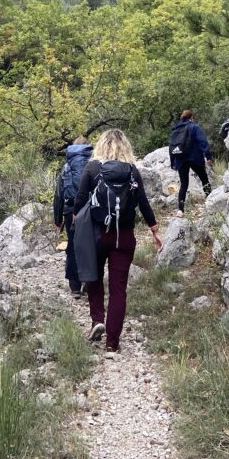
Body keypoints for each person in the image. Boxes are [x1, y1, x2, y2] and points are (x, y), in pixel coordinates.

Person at [73, 129, 162, 352]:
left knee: (93, 278)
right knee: (118, 288)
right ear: (126, 147)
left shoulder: (92, 167)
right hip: (124, 236)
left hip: (97, 234)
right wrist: (155, 230)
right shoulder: (132, 170)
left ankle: (97, 319)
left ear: (101, 145)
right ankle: (112, 343)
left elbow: (80, 200)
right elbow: (143, 202)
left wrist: (77, 224)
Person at [53, 136, 94, 296]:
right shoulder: (95, 163)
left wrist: (57, 219)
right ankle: (90, 283)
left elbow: (58, 194)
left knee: (73, 246)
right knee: (91, 245)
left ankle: (75, 286)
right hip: (91, 209)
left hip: (71, 211)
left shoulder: (66, 167)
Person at [169, 109, 213, 213]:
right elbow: (203, 142)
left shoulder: (175, 129)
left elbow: (171, 147)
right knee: (204, 179)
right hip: (195, 158)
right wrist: (209, 157)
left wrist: (173, 162)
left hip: (180, 159)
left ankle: (180, 210)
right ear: (191, 117)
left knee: (184, 184)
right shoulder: (194, 127)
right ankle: (211, 201)